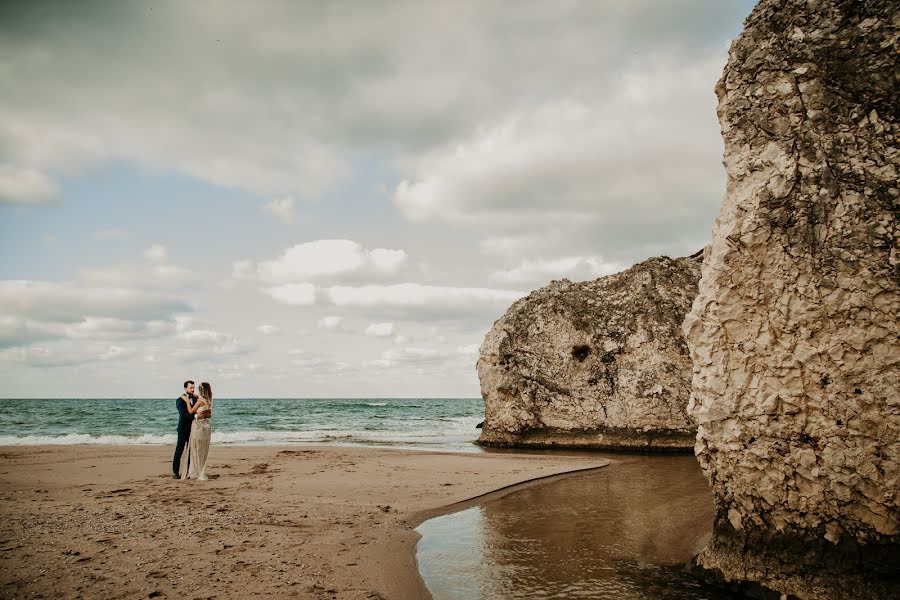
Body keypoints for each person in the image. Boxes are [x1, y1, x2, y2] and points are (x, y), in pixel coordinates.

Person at [185, 382, 213, 481]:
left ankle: (195, 472)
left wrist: (187, 401)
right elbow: (209, 414)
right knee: (202, 450)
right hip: (206, 427)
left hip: (198, 426)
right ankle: (200, 470)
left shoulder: (200, 401)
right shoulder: (208, 400)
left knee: (195, 449)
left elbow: (191, 411)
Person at [172, 380, 197, 479]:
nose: (193, 389)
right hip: (182, 430)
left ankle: (187, 471)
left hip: (193, 429)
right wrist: (195, 417)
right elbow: (183, 415)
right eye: (191, 388)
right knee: (179, 450)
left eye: (193, 387)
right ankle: (175, 472)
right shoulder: (179, 400)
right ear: (185, 388)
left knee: (190, 451)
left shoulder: (195, 399)